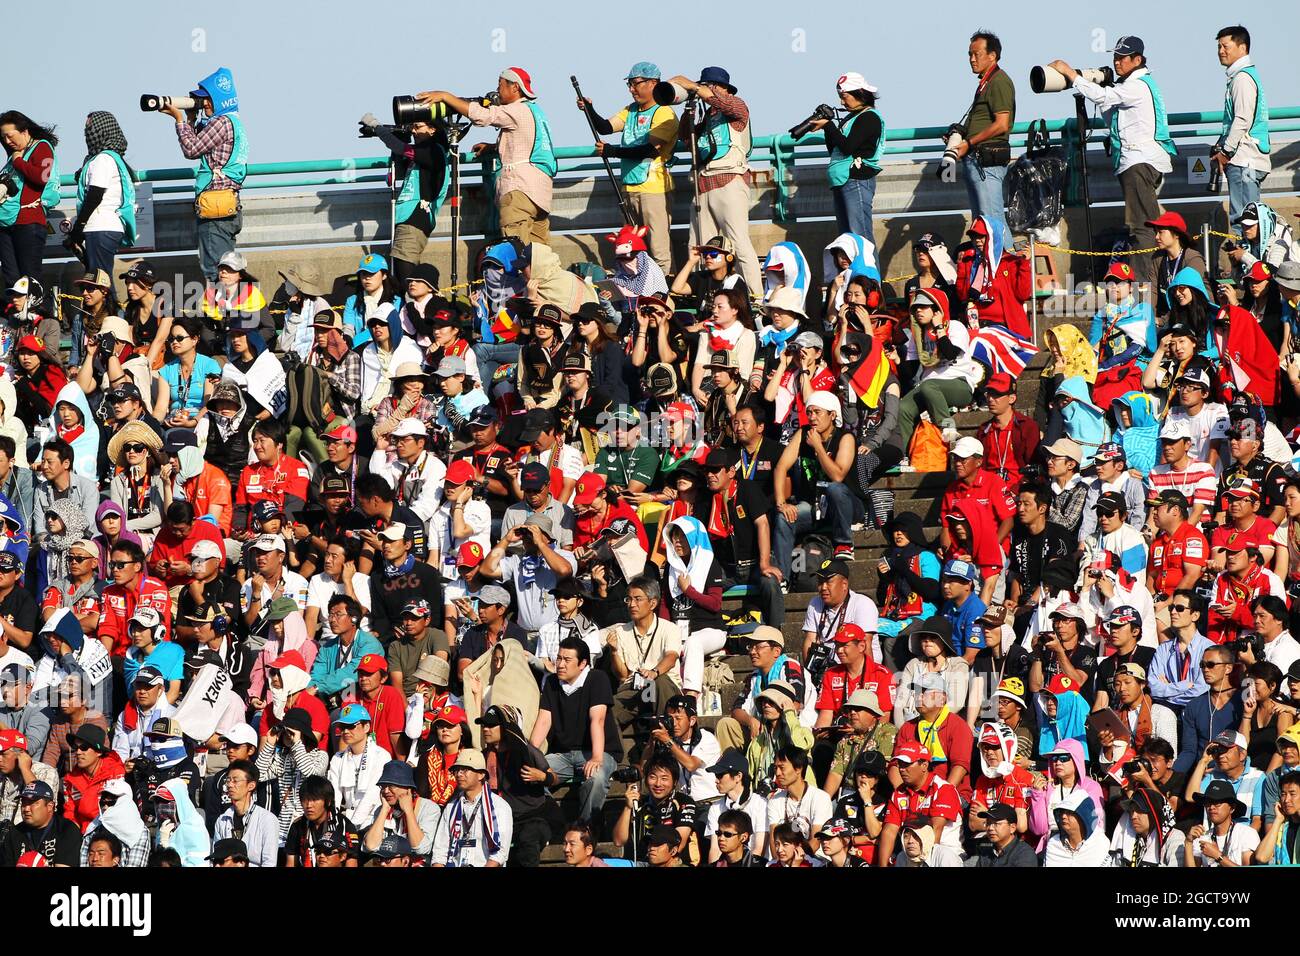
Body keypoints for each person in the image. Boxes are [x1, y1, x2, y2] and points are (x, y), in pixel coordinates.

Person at [1047, 38, 1175, 285]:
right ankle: (1154, 278)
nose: (1116, 62)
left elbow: (1104, 97)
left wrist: (1071, 74)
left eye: (1122, 58)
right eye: (1114, 57)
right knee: (1148, 223)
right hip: (1142, 162)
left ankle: (1141, 285)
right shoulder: (1137, 85)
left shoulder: (1136, 86)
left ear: (1137, 60)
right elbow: (1112, 116)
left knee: (1142, 228)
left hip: (1138, 164)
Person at [417, 68, 556, 244]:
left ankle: (523, 272)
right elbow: (526, 143)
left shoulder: (517, 109)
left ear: (515, 87)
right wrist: (495, 147)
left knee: (517, 249)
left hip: (520, 189)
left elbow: (484, 116)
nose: (497, 90)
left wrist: (447, 97)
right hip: (540, 193)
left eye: (500, 85)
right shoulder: (536, 111)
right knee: (540, 255)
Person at [663, 67, 761, 290]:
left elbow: (727, 105)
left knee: (738, 242)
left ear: (721, 87)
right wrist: (689, 105)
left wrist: (695, 87)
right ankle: (705, 296)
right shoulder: (708, 117)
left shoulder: (736, 106)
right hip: (703, 186)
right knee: (698, 246)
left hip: (729, 181)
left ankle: (755, 296)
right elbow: (686, 139)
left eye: (709, 86)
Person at [578, 62, 678, 275]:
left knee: (659, 247)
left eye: (635, 84)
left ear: (653, 83)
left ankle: (666, 292)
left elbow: (650, 150)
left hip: (654, 189)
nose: (632, 89)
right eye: (629, 85)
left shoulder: (664, 113)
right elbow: (605, 128)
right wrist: (589, 109)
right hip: (630, 188)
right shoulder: (630, 110)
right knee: (632, 246)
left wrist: (612, 151)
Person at [159, 69, 248, 284]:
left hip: (215, 208)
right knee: (226, 266)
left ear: (219, 100)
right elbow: (199, 143)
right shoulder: (232, 122)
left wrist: (179, 119)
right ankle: (232, 314)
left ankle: (224, 316)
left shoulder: (222, 123)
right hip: (226, 205)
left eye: (206, 99)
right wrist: (190, 119)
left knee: (217, 271)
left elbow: (191, 149)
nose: (203, 104)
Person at [530, 636, 620, 823]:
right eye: (559, 658)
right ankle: (554, 818)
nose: (560, 664)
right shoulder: (552, 683)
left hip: (597, 751)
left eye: (567, 660)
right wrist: (531, 755)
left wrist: (596, 757)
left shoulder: (597, 678)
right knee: (528, 773)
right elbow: (543, 722)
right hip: (563, 754)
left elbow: (598, 720)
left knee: (596, 777)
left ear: (582, 663)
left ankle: (584, 828)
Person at [955, 31, 1015, 245]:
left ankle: (1009, 272)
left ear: (993, 55)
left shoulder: (999, 81)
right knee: (982, 223)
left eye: (976, 54)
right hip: (976, 160)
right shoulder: (986, 83)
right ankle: (992, 273)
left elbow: (1002, 124)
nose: (972, 59)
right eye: (969, 54)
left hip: (987, 161)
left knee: (993, 221)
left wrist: (969, 142)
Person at [1213, 25, 1270, 226]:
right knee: (1247, 218)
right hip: (1247, 159)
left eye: (1225, 46)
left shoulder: (1242, 79)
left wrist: (1226, 151)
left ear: (1242, 47)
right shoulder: (1242, 76)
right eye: (1219, 46)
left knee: (1245, 220)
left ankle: (1249, 256)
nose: (1221, 51)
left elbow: (1242, 119)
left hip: (1245, 159)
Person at [0, 111, 59, 287]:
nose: (7, 142)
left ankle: (37, 313)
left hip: (29, 222)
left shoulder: (42, 147)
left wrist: (19, 162)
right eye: (3, 138)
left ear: (25, 132)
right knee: (11, 278)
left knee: (29, 277)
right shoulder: (14, 156)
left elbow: (41, 177)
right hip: (5, 223)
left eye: (10, 136)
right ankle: (17, 313)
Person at [429, 749, 512, 867]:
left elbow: (500, 853)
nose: (458, 774)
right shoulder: (451, 807)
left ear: (481, 774)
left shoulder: (499, 806)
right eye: (456, 770)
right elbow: (440, 851)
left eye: (465, 769)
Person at [613, 757, 697, 865]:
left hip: (671, 863)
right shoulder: (639, 802)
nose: (658, 784)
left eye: (664, 778)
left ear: (675, 782)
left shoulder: (684, 802)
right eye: (653, 777)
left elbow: (679, 844)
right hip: (641, 861)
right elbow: (618, 841)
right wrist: (628, 807)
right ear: (646, 780)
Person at [212, 759, 278, 867]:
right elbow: (216, 858)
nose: (230, 785)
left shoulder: (267, 820)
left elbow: (269, 863)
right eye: (228, 780)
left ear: (251, 785)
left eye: (235, 781)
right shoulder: (222, 820)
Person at [0, 781, 82, 867]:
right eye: (24, 802)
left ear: (50, 806)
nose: (26, 808)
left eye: (33, 803)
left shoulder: (66, 829)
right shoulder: (14, 833)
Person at [1186, 778, 1259, 867]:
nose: (1211, 807)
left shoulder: (1247, 833)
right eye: (1208, 803)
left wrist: (1218, 856)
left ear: (1232, 808)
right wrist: (1188, 842)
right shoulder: (1201, 837)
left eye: (1217, 803)